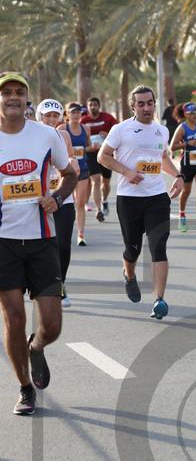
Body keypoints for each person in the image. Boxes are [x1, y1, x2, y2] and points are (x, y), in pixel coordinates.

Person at [0, 73, 77, 415]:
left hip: (43, 240)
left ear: (27, 99)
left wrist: (57, 198)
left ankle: (36, 347)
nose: (13, 97)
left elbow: (70, 174)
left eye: (19, 92)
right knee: (14, 319)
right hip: (3, 243)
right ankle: (24, 389)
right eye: (6, 93)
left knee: (53, 324)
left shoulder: (46, 135)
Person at [98, 84, 184, 320]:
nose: (146, 108)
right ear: (133, 107)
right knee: (132, 249)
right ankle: (129, 275)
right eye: (141, 104)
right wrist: (127, 172)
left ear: (155, 104)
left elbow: (162, 157)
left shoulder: (161, 131)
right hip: (129, 199)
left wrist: (178, 175)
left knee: (158, 245)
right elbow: (103, 156)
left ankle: (159, 300)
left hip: (157, 197)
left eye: (150, 103)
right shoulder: (121, 129)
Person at [36, 99, 81, 308]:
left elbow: (70, 159)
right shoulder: (31, 136)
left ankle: (60, 285)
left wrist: (73, 162)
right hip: (39, 199)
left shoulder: (64, 136)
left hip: (63, 197)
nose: (52, 119)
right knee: (42, 245)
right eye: (48, 116)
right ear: (40, 116)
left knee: (63, 245)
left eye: (55, 116)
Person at [170, 101, 196, 231]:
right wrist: (187, 143)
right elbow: (172, 147)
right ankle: (182, 216)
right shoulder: (182, 128)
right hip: (187, 163)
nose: (195, 115)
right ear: (186, 114)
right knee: (186, 191)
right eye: (192, 113)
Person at [81, 96, 117, 221]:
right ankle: (99, 210)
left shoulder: (107, 118)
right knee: (95, 180)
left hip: (106, 153)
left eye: (95, 105)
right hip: (91, 155)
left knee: (105, 183)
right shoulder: (83, 121)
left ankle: (104, 200)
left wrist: (107, 135)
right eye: (90, 105)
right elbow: (80, 140)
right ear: (87, 107)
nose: (93, 107)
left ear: (99, 106)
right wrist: (88, 147)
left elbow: (118, 132)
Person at [60, 102, 91, 246]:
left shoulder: (85, 128)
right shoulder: (62, 129)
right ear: (67, 114)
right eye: (73, 112)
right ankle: (63, 232)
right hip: (65, 171)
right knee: (65, 203)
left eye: (78, 112)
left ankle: (81, 234)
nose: (76, 114)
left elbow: (87, 146)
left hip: (82, 169)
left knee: (80, 203)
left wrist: (94, 147)